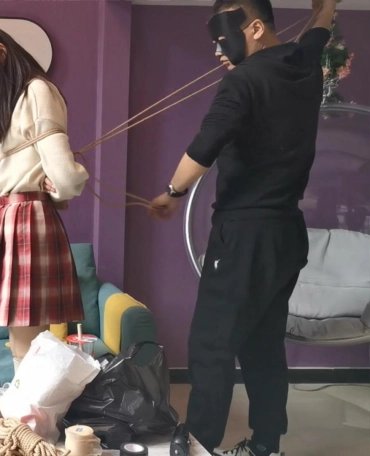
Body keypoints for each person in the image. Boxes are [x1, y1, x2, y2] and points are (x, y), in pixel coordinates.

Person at [148, 1, 337, 455]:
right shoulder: (305, 63)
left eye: (222, 39)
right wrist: (326, 6)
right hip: (286, 233)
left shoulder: (243, 80)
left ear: (253, 28)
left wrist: (171, 193)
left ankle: (200, 443)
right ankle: (266, 446)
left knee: (212, 343)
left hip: (244, 234)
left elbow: (206, 143)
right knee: (262, 344)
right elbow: (317, 32)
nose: (217, 51)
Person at [0, 10, 89, 371]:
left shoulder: (37, 91)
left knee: (26, 339)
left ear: (0, 54)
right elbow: (56, 176)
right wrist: (59, 186)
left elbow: (64, 174)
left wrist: (69, 180)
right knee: (22, 338)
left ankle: (28, 405)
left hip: (23, 217)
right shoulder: (21, 96)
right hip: (16, 216)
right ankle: (26, 403)